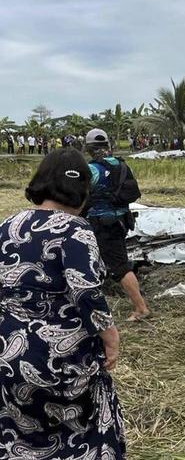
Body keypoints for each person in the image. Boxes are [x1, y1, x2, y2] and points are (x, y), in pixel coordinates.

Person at [0, 148, 126, 458]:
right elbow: (86, 292)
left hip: (8, 357)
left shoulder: (7, 225)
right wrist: (110, 337)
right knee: (81, 433)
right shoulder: (75, 230)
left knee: (19, 434)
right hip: (60, 363)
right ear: (84, 190)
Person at [84, 128, 150, 322]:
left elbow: (81, 196)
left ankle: (141, 308)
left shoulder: (92, 170)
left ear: (89, 149)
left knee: (120, 267)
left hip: (102, 224)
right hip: (121, 220)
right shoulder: (121, 165)